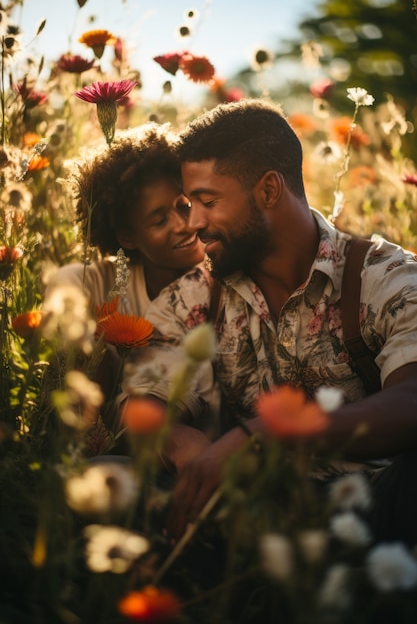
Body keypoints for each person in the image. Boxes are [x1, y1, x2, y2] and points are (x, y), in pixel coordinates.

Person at [122, 99, 417, 545]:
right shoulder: (196, 297)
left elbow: (411, 400)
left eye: (207, 201)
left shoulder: (385, 277)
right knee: (108, 477)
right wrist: (184, 446)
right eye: (188, 203)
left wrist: (269, 434)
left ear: (269, 191)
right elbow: (143, 409)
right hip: (247, 512)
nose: (193, 224)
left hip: (373, 512)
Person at [44, 122, 206, 422]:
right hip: (102, 433)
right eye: (159, 221)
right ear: (128, 237)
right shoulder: (94, 282)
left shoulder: (220, 269)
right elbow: (64, 291)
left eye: (184, 205)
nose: (184, 225)